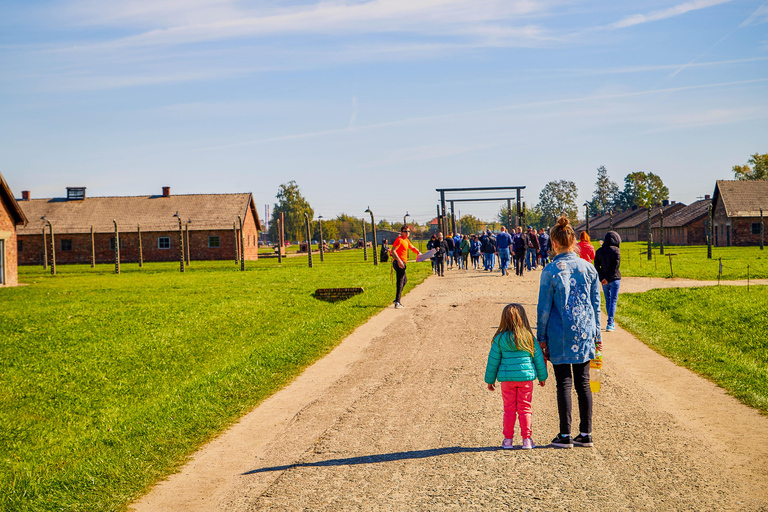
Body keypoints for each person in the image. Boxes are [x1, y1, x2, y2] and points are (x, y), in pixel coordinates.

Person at [536, 216, 602, 449]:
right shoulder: (588, 268)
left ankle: (565, 435)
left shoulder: (550, 271)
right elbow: (596, 304)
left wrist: (541, 338)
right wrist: (598, 335)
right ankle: (586, 433)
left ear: (554, 243)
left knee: (563, 383)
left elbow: (544, 309)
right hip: (585, 333)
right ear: (573, 242)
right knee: (583, 383)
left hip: (559, 333)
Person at [485, 303, 548, 450]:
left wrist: (490, 380)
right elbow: (538, 359)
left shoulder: (500, 339)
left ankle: (508, 440)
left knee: (509, 409)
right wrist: (542, 377)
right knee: (525, 408)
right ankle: (526, 439)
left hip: (507, 381)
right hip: (526, 380)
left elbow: (493, 362)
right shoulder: (528, 338)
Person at [594, 231, 621, 332]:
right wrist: (609, 278)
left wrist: (602, 278)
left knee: (608, 300)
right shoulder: (616, 250)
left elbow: (596, 265)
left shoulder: (599, 251)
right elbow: (616, 266)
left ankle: (610, 321)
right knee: (613, 300)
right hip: (615, 279)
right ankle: (610, 323)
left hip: (604, 281)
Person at [390, 225, 421, 309]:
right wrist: (399, 261)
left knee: (404, 281)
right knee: (400, 281)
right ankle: (397, 302)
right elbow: (393, 250)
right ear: (401, 232)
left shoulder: (406, 240)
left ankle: (397, 298)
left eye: (408, 231)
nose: (407, 233)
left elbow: (412, 247)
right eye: (405, 231)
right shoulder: (399, 240)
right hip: (399, 262)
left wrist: (418, 252)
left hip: (403, 263)